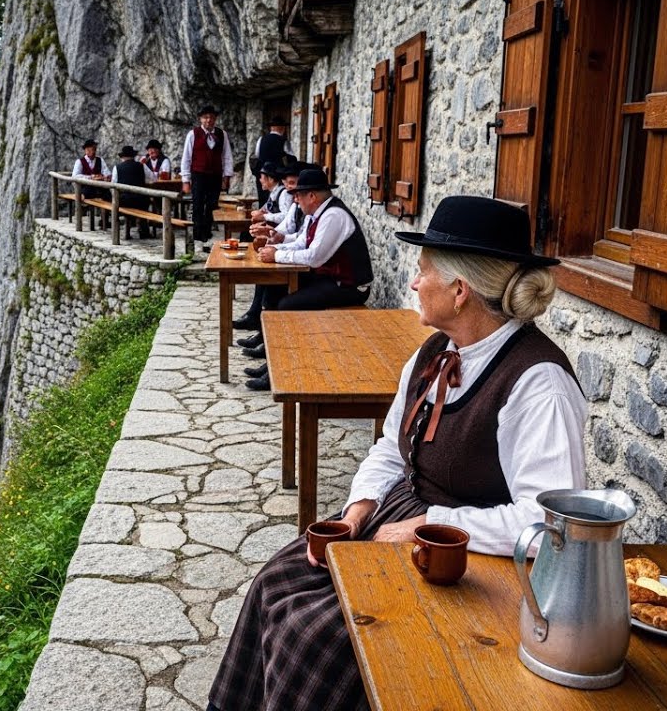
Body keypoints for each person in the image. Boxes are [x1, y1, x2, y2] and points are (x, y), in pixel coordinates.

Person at [207, 196, 588, 711]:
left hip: (468, 560)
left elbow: (548, 526)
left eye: (423, 270)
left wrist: (426, 524)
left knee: (313, 636)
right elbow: (392, 445)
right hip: (400, 520)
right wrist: (358, 510)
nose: (413, 282)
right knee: (277, 580)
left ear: (459, 292)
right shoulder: (435, 351)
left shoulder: (539, 384)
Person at [241, 168, 374, 389]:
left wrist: (277, 255)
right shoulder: (318, 214)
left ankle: (281, 371)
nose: (296, 199)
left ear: (312, 196)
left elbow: (314, 257)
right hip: (331, 278)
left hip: (349, 286)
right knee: (274, 288)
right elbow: (302, 242)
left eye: (299, 195)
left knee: (288, 306)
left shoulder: (333, 216)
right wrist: (275, 248)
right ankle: (271, 357)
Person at [232, 163, 297, 334]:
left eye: (292, 184)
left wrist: (267, 223)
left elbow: (305, 241)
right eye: (287, 183)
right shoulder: (293, 202)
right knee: (264, 270)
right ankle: (256, 319)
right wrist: (270, 233)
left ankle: (263, 330)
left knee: (271, 283)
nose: (291, 191)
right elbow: (289, 228)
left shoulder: (285, 195)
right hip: (289, 247)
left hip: (308, 266)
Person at [181, 105, 234, 246]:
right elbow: (186, 157)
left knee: (212, 204)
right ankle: (198, 233)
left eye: (211, 117)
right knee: (198, 203)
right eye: (205, 117)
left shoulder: (222, 134)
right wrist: (185, 180)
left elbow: (227, 156)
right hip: (198, 174)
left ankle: (207, 231)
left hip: (215, 175)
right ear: (200, 119)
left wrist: (226, 176)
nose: (209, 120)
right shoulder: (193, 134)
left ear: (215, 119)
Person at [249, 115, 296, 205]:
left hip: (263, 175)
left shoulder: (261, 139)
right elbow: (291, 158)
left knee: (263, 199)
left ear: (271, 128)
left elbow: (256, 155)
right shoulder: (283, 141)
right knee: (278, 198)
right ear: (282, 128)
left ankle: (262, 212)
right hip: (277, 176)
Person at [112, 145, 154, 239]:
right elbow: (153, 178)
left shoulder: (117, 168)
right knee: (145, 201)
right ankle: (144, 230)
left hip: (124, 201)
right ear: (133, 156)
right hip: (140, 201)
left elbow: (113, 184)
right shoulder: (141, 165)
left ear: (122, 157)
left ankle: (127, 231)